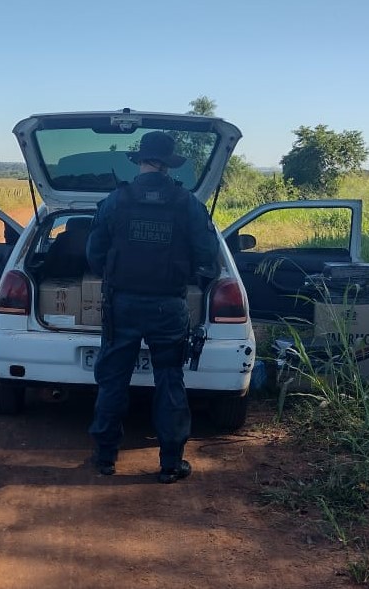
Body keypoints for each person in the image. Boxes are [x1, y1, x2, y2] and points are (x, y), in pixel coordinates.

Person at [85, 131, 219, 484]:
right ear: (168, 163)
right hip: (168, 306)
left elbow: (94, 253)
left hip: (122, 304)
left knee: (113, 380)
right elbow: (208, 257)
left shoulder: (116, 200)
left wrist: (114, 276)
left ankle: (105, 458)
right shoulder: (187, 203)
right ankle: (171, 464)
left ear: (140, 160)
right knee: (170, 380)